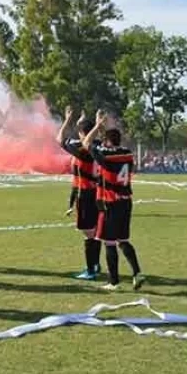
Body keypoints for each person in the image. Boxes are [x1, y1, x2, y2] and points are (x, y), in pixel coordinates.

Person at [82, 110, 145, 291]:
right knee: (123, 240)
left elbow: (87, 143)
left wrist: (97, 125)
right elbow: (110, 143)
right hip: (126, 201)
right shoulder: (127, 153)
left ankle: (114, 281)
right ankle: (137, 272)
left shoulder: (106, 155)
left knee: (109, 242)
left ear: (107, 142)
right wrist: (105, 129)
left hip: (110, 202)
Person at [57, 107, 101, 280]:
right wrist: (95, 125)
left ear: (84, 134)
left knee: (89, 232)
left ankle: (91, 269)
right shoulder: (100, 146)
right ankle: (95, 265)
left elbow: (59, 139)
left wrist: (67, 120)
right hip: (96, 192)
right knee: (95, 231)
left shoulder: (84, 151)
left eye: (80, 132)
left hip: (86, 193)